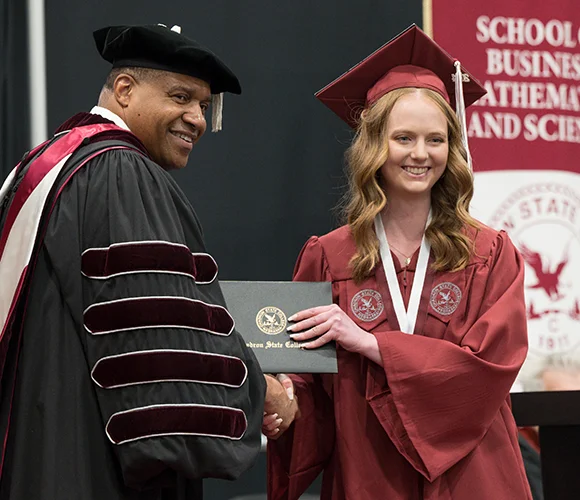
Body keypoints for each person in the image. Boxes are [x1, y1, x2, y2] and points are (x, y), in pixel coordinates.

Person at [264, 25, 532, 499]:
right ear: (373, 146)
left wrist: (372, 345)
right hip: (370, 471)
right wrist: (282, 403)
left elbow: (489, 368)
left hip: (473, 478)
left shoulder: (489, 254)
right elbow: (307, 383)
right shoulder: (328, 256)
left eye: (435, 139)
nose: (420, 154)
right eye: (403, 138)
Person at [0, 24, 265, 499]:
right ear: (124, 89)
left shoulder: (46, 164)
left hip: (39, 444)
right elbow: (158, 340)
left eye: (203, 106)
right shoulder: (120, 171)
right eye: (181, 97)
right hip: (93, 466)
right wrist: (260, 392)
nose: (197, 119)